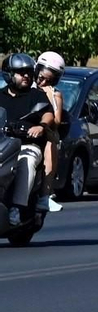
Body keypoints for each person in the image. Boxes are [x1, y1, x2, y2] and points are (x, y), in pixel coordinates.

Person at [0, 53, 53, 228]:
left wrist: (41, 126)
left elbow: (47, 113)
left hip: (27, 145)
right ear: (8, 74)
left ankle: (16, 207)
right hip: (3, 144)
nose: (26, 76)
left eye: (29, 72)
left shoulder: (36, 95)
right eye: (21, 72)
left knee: (26, 162)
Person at [33, 52, 65, 212]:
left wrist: (50, 98)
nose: (43, 82)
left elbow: (57, 121)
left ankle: (45, 195)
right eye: (41, 77)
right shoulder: (23, 86)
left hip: (40, 133)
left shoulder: (55, 94)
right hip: (17, 129)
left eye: (49, 80)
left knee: (51, 140)